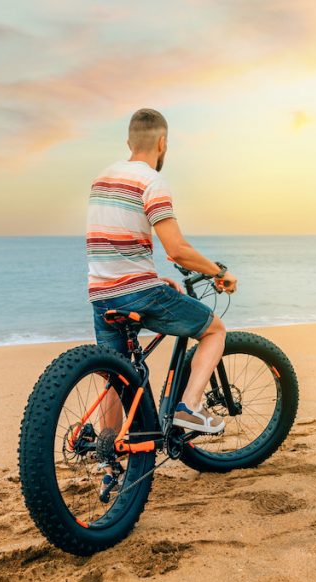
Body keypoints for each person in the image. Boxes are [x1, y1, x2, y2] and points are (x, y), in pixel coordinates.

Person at [87, 108, 237, 434]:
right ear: (163, 142)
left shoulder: (101, 180)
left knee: (118, 375)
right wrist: (217, 272)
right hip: (139, 294)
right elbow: (176, 249)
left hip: (101, 295)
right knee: (214, 331)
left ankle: (108, 457)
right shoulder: (152, 180)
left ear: (129, 141)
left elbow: (117, 246)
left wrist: (152, 277)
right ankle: (191, 407)